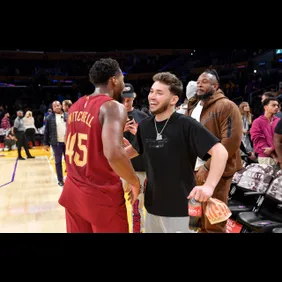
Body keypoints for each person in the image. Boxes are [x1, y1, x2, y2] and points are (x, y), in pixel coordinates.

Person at [124, 72, 228, 233]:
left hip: (181, 209)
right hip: (152, 207)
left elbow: (220, 152)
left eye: (159, 93)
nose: (152, 96)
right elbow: (131, 152)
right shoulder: (144, 126)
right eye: (152, 91)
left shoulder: (186, 125)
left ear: (173, 99)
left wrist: (209, 186)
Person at [58, 58, 140, 233]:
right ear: (114, 80)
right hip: (101, 195)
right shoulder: (113, 107)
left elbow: (71, 141)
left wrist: (109, 141)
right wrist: (134, 181)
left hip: (73, 190)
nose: (123, 84)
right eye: (122, 79)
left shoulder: (75, 106)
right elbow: (114, 154)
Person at [186, 68, 243, 233]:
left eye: (204, 82)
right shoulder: (195, 107)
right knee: (198, 220)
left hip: (217, 170)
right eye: (198, 82)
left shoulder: (226, 106)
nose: (199, 85)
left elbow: (231, 142)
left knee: (214, 221)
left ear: (215, 85)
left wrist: (208, 166)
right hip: (196, 169)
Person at [121, 83, 148, 233]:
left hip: (138, 169)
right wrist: (120, 130)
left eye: (129, 98)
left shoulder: (143, 117)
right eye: (124, 98)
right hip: (119, 169)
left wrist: (139, 133)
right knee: (115, 204)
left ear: (134, 97)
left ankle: (138, 231)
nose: (126, 102)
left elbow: (151, 143)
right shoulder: (112, 118)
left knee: (136, 206)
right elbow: (104, 143)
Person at [250, 97, 280, 167]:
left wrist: (272, 149)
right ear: (265, 107)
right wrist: (273, 155)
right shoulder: (257, 122)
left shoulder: (279, 121)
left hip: (279, 156)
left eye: (277, 105)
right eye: (273, 105)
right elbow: (258, 140)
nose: (276, 107)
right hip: (265, 157)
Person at [43, 101, 68, 186]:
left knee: (69, 161)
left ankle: (70, 179)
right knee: (58, 162)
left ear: (61, 106)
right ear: (52, 108)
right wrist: (45, 143)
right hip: (56, 143)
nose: (56, 107)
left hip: (68, 142)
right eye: (54, 106)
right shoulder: (49, 118)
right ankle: (60, 180)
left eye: (58, 105)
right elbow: (46, 131)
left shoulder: (67, 115)